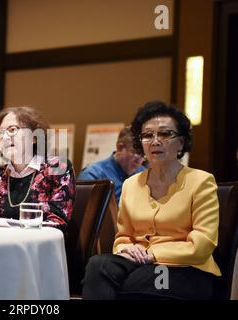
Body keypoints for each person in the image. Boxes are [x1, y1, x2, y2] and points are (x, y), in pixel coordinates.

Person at [82, 101, 220, 300]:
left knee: (138, 282)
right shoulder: (131, 184)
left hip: (187, 268)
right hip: (138, 262)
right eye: (147, 135)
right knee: (98, 265)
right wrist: (127, 249)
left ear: (181, 142)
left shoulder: (201, 181)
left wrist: (153, 254)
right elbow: (123, 237)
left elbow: (201, 245)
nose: (155, 141)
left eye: (165, 134)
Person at [0, 106, 75, 230]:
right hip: (0, 246)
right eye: (0, 133)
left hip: (37, 246)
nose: (5, 137)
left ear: (34, 137)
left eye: (12, 130)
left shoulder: (56, 168)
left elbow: (58, 223)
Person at [78, 126, 145, 202]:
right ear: (120, 147)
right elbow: (83, 212)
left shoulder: (144, 174)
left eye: (143, 155)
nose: (139, 161)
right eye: (136, 153)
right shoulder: (93, 175)